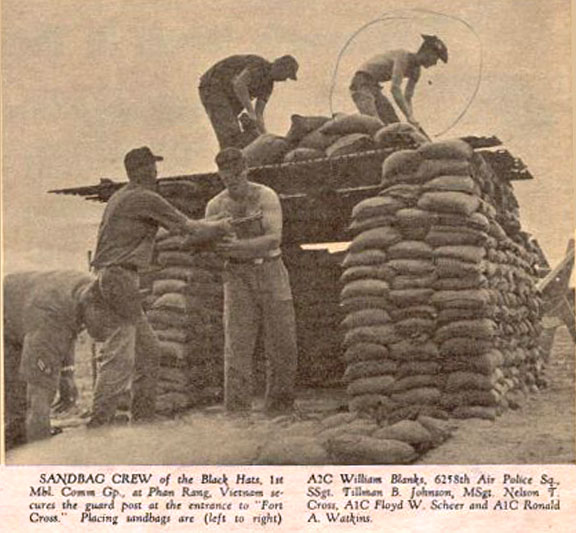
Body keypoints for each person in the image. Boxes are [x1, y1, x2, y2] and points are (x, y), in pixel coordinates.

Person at [88, 146, 231, 428]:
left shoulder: (121, 196)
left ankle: (141, 420)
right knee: (121, 354)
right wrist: (223, 225)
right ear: (142, 170)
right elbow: (189, 229)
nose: (156, 172)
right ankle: (99, 424)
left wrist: (210, 224)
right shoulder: (145, 198)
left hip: (112, 278)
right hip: (120, 278)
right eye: (152, 167)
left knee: (148, 350)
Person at [206, 147, 298, 414]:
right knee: (237, 347)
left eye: (236, 172)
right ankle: (237, 412)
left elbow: (273, 239)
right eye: (226, 174)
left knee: (282, 343)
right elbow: (211, 245)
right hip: (237, 276)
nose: (231, 178)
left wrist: (235, 247)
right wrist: (229, 248)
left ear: (245, 169)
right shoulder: (215, 205)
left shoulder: (265, 196)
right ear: (220, 174)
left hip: (271, 269)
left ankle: (280, 409)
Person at [3, 270, 118, 449]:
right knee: (24, 403)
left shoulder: (89, 290)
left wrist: (67, 372)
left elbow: (69, 327)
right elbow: (38, 402)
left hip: (24, 308)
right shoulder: (50, 320)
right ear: (91, 305)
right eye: (107, 321)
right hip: (11, 319)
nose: (111, 329)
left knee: (21, 415)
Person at [199, 54, 299, 149]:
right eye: (286, 75)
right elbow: (239, 84)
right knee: (229, 130)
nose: (285, 80)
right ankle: (229, 161)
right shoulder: (259, 65)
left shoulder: (268, 86)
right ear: (280, 67)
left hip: (230, 96)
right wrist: (250, 111)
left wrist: (265, 137)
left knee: (235, 131)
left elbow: (258, 114)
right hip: (213, 85)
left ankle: (233, 156)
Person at [349, 34, 448, 128]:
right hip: (361, 82)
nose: (435, 63)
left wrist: (411, 118)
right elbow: (395, 89)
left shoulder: (416, 71)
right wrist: (409, 116)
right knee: (374, 123)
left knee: (394, 123)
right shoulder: (403, 56)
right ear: (427, 52)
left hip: (375, 87)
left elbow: (407, 97)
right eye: (436, 58)